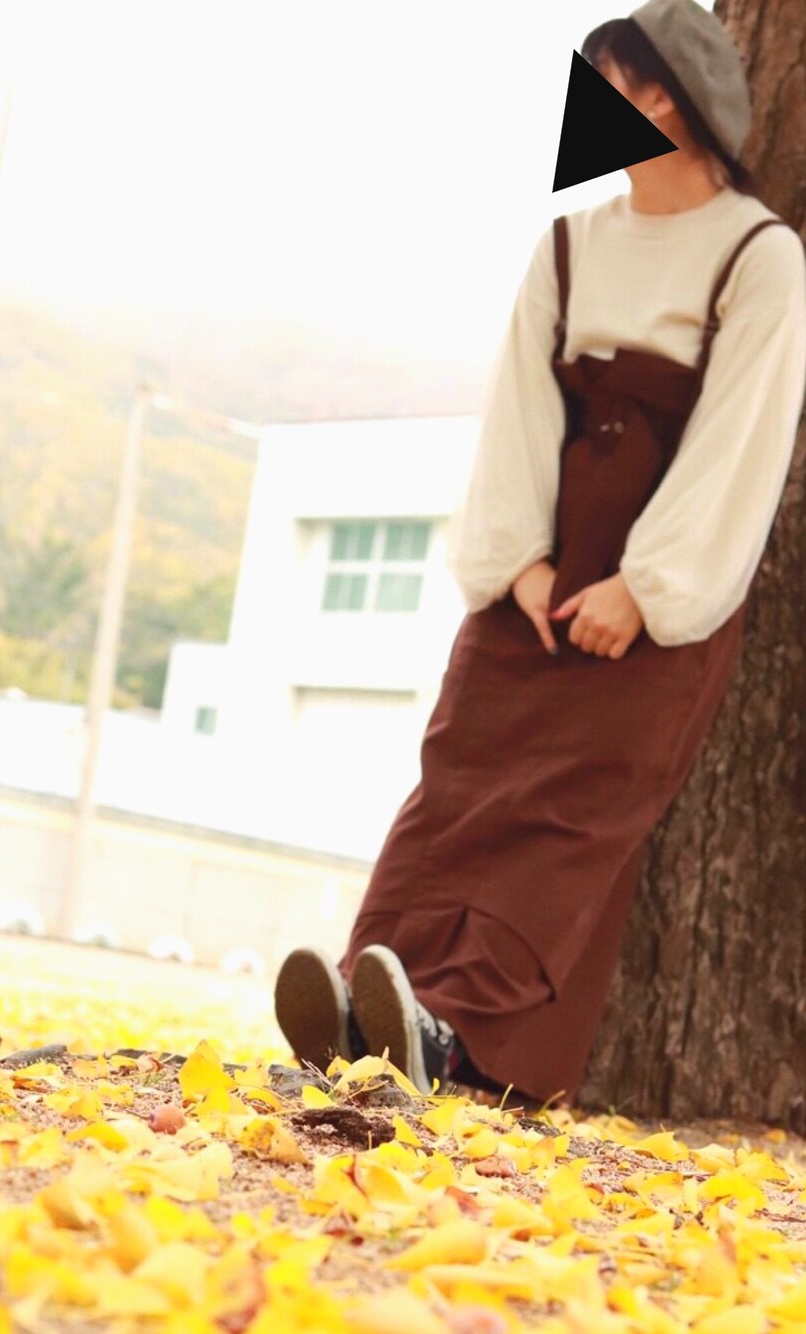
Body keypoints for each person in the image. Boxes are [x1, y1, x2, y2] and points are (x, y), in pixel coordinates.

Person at [273, 0, 806, 1100]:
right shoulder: (568, 243)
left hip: (653, 599)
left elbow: (740, 441)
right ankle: (364, 1012)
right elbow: (517, 409)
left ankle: (455, 1044)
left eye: (613, 81)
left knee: (573, 817)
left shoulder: (760, 258)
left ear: (668, 101)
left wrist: (645, 591)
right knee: (456, 784)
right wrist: (516, 563)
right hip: (538, 575)